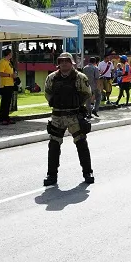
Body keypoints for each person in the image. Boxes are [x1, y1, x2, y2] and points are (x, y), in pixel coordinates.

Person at [43, 53, 94, 186]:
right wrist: (57, 102)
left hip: (74, 116)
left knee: (81, 143)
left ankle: (88, 172)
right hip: (57, 116)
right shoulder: (52, 77)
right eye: (61, 61)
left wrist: (75, 104)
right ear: (58, 63)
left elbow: (87, 93)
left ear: (72, 63)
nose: (64, 63)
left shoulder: (80, 77)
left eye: (67, 61)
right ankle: (51, 175)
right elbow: (47, 92)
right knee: (53, 145)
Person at [0, 48, 15, 125]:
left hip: (10, 83)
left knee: (8, 102)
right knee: (4, 102)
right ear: (8, 54)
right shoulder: (2, 62)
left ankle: (7, 117)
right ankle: (2, 118)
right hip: (5, 84)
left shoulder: (9, 62)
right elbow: (0, 73)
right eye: (11, 53)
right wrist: (9, 75)